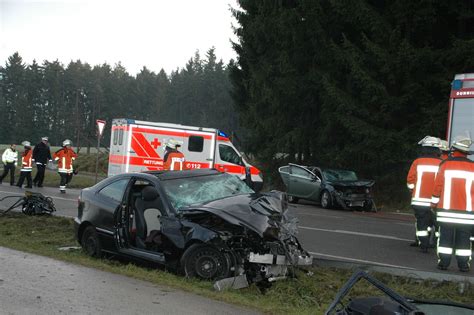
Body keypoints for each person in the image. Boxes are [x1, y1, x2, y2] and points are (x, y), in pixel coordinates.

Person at [431, 135, 474, 272]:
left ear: (453, 150)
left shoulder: (445, 165)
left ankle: (443, 264)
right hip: (467, 214)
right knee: (464, 241)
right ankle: (463, 265)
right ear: (467, 152)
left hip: (446, 212)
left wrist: (433, 204)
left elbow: (437, 187)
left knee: (445, 240)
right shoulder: (473, 167)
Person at [406, 136, 442, 252]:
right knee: (436, 223)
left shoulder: (417, 162)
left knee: (421, 223)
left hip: (419, 200)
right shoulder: (442, 163)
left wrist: (413, 190)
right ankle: (436, 243)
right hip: (436, 201)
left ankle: (423, 244)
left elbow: (410, 180)